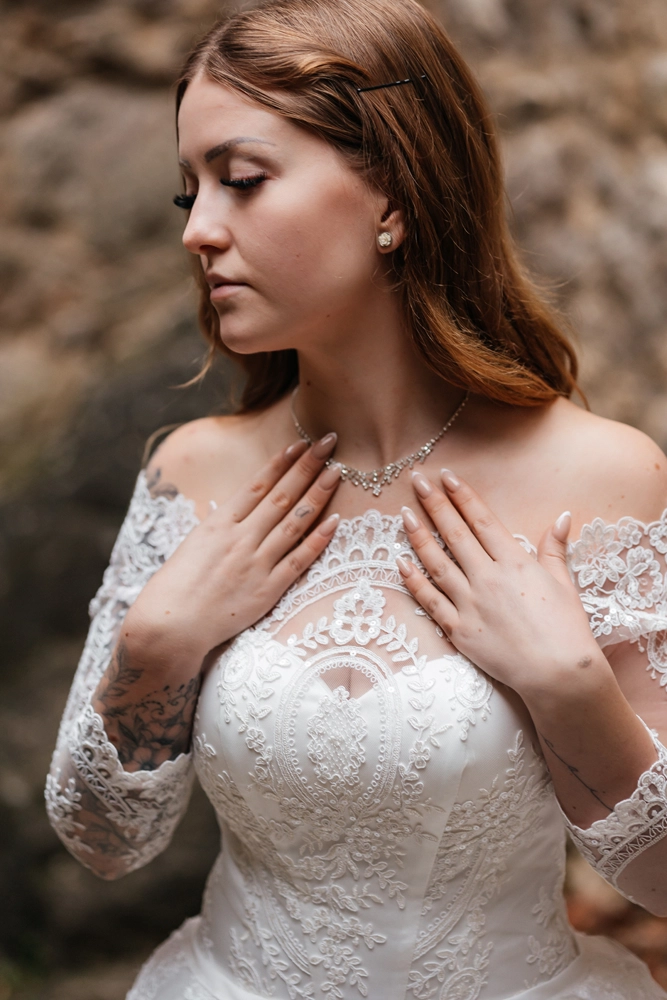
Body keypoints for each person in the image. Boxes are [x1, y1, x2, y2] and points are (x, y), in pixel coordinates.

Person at [46, 0, 667, 997]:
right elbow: (101, 839)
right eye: (188, 193)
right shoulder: (191, 475)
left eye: (242, 180)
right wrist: (156, 648)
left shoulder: (602, 480)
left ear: (394, 194)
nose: (200, 231)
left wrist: (567, 687)